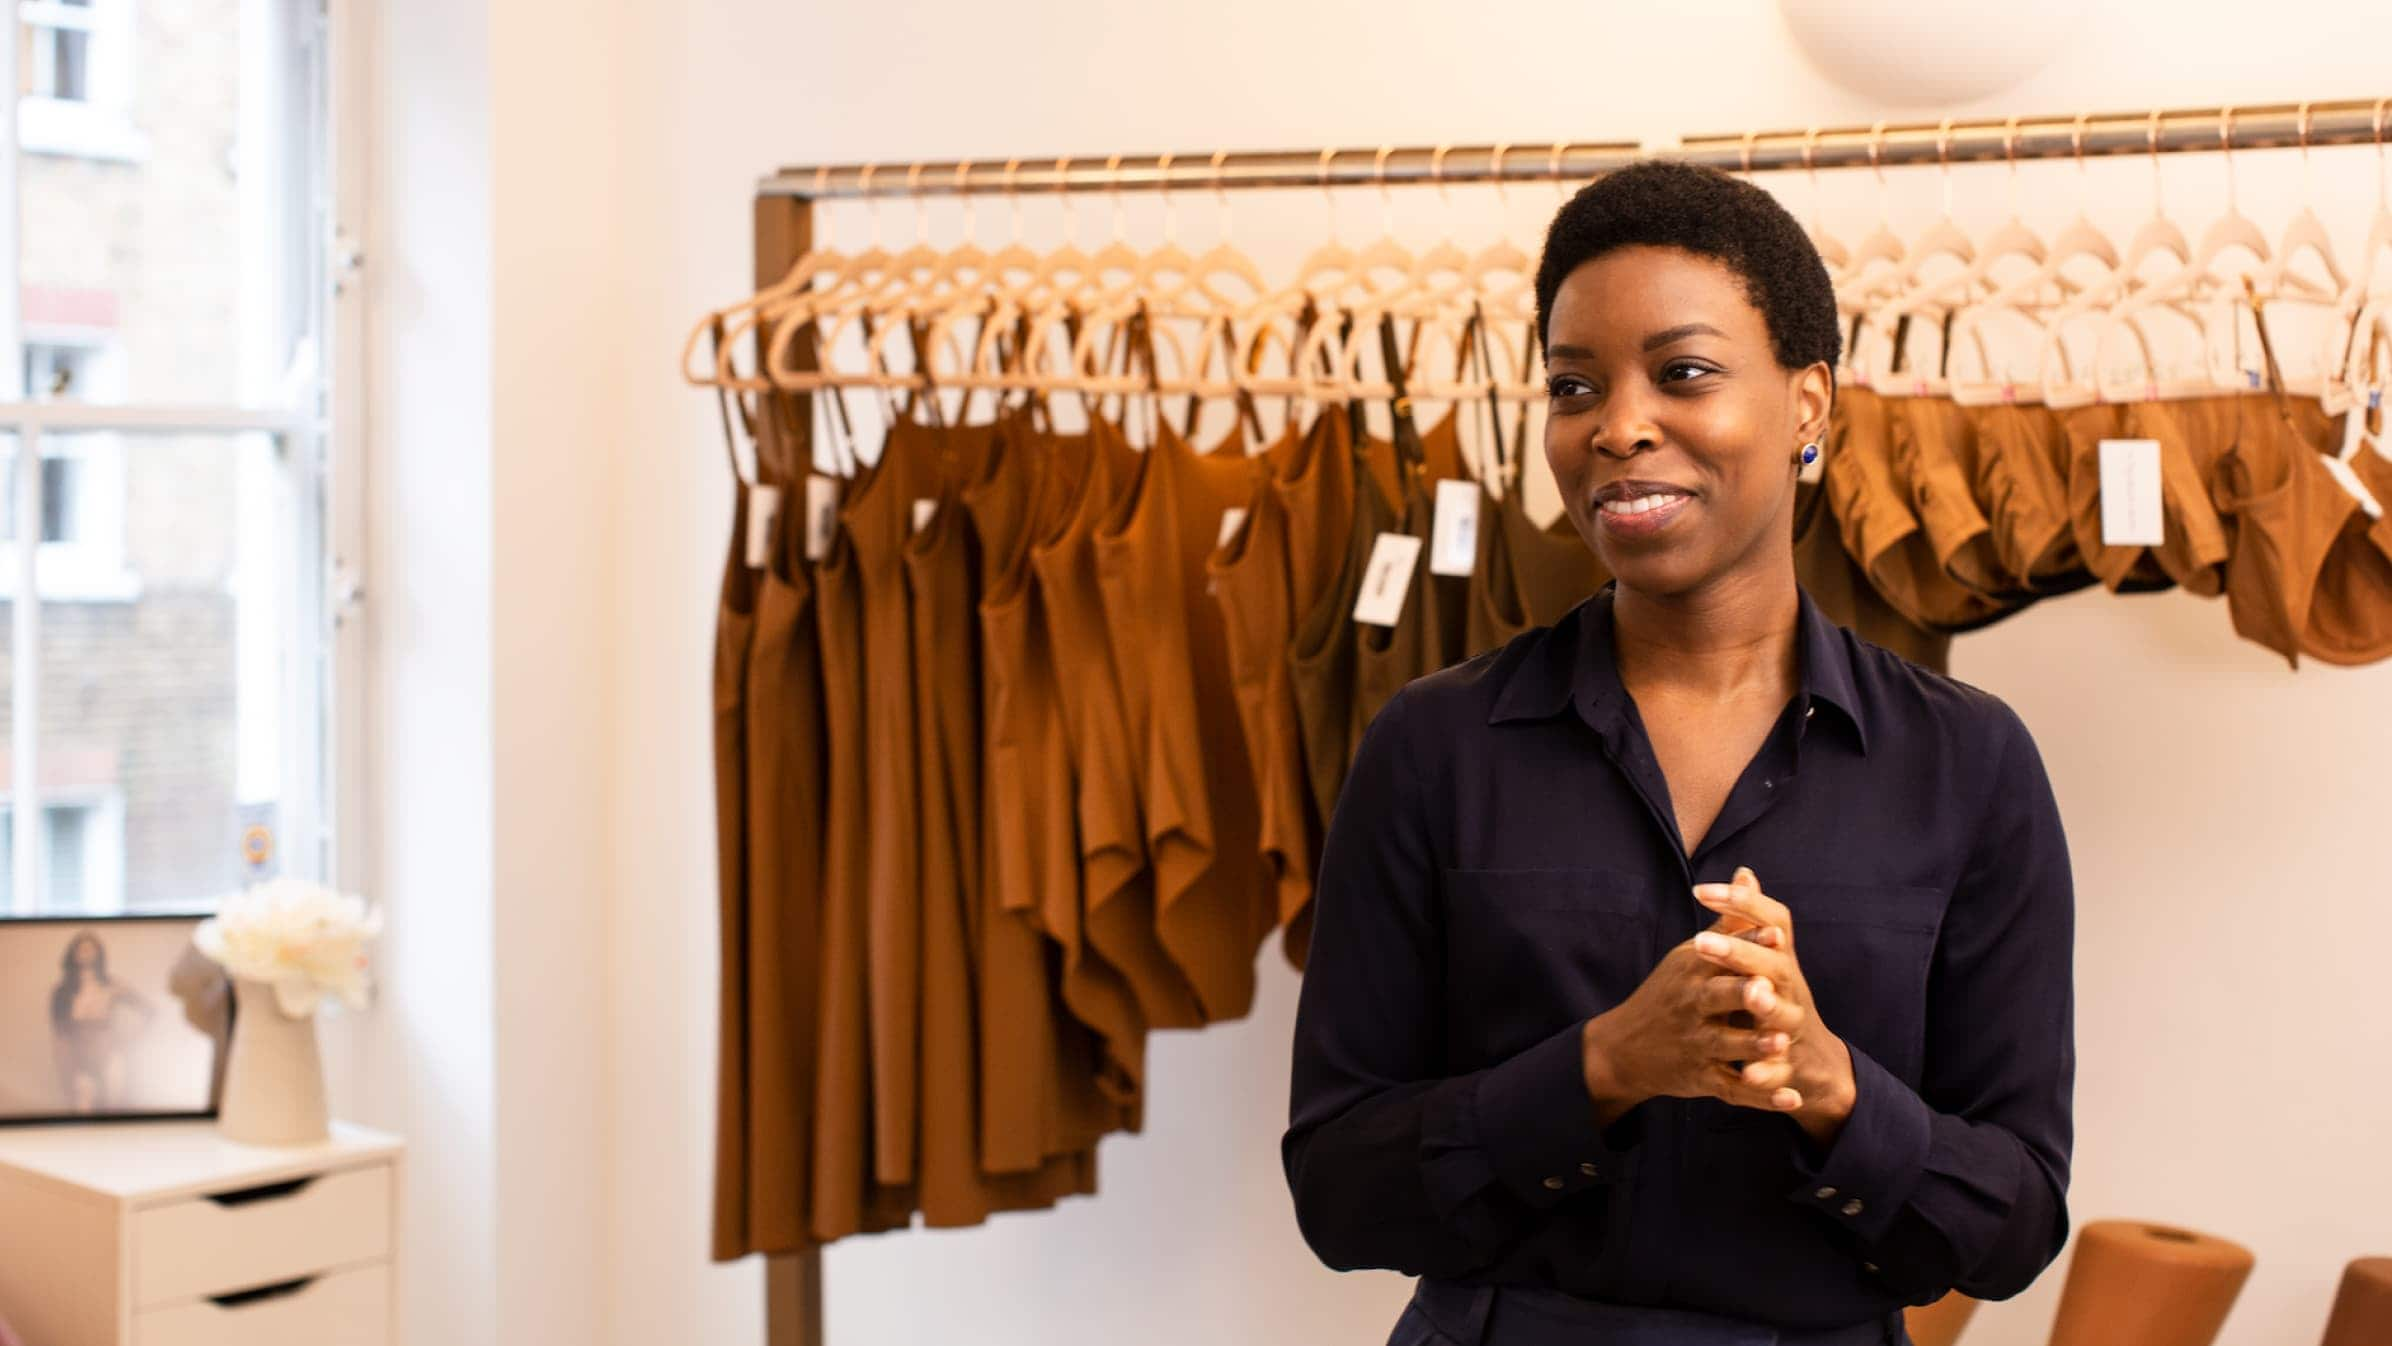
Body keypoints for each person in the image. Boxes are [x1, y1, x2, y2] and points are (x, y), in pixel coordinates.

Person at [1282, 162, 2075, 1346]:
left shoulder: (1967, 766)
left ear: (1807, 403)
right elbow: (1340, 1188)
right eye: (1573, 384)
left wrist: (1826, 1081)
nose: (1616, 424)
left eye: (1683, 371)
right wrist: (1605, 1062)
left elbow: (2012, 1225)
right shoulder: (1433, 747)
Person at [50, 930, 156, 1114]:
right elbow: (60, 1031)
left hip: (109, 1054)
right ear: (73, 954)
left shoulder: (111, 986)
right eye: (81, 950)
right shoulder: (63, 991)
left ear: (99, 953)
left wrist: (130, 1038)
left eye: (91, 950)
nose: (86, 954)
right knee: (83, 1106)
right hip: (79, 1058)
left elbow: (147, 1009)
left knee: (113, 1106)